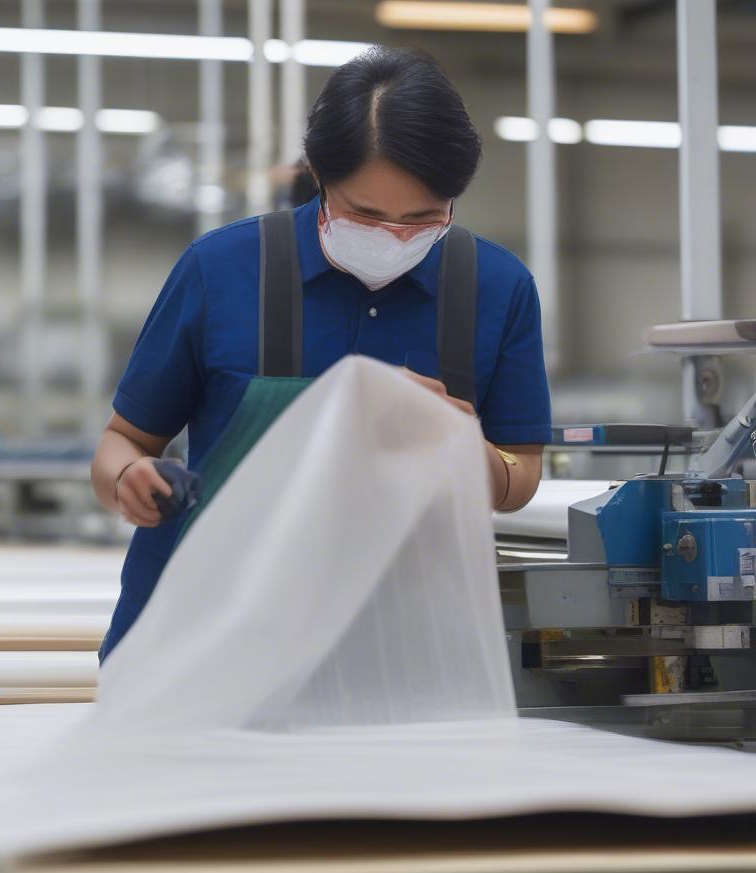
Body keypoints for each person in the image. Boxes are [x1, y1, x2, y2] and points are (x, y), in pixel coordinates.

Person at [91, 46, 551, 662]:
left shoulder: (497, 288)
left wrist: (459, 444)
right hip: (202, 641)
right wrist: (129, 478)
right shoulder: (220, 270)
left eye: (423, 218)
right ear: (318, 174)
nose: (393, 237)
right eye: (364, 214)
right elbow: (124, 441)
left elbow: (519, 477)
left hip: (392, 650)